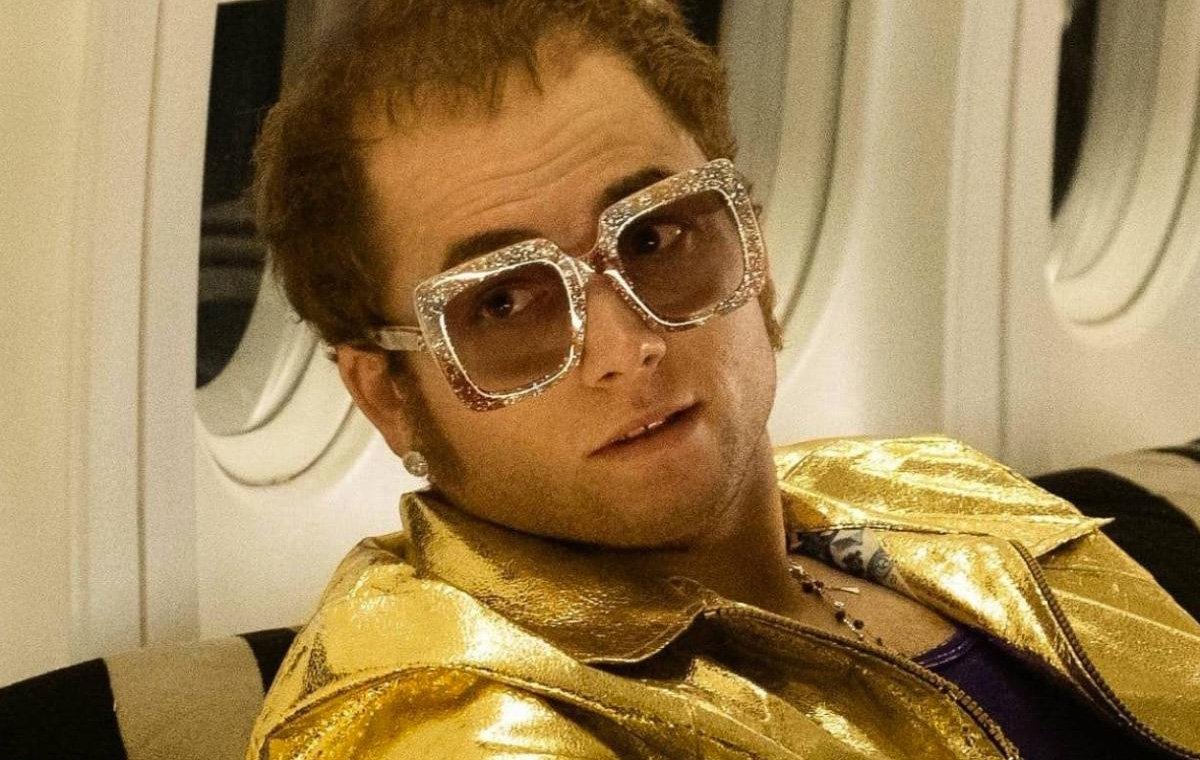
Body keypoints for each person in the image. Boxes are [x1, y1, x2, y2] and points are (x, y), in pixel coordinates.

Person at [245, 1, 1200, 757]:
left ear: (753, 246)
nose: (623, 347)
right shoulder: (442, 714)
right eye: (502, 304)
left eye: (655, 236)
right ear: (388, 396)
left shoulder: (922, 484)